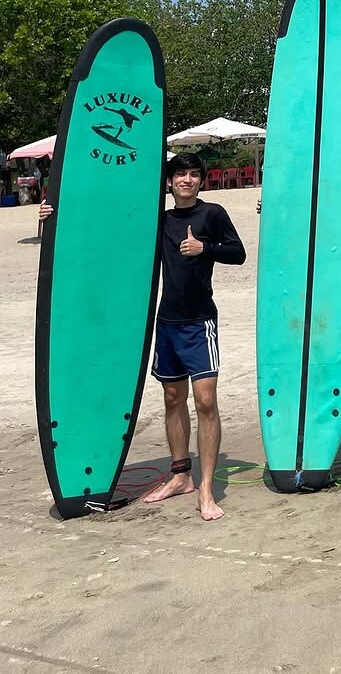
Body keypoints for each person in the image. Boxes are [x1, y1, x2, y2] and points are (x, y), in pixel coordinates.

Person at [41, 153, 247, 520]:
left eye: (193, 174)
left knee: (205, 400)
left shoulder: (212, 214)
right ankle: (181, 474)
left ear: (201, 180)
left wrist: (205, 248)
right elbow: (106, 229)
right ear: (168, 182)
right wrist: (54, 215)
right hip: (166, 322)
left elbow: (239, 253)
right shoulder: (160, 220)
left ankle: (206, 489)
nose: (187, 179)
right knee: (172, 398)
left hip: (200, 323)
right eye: (180, 174)